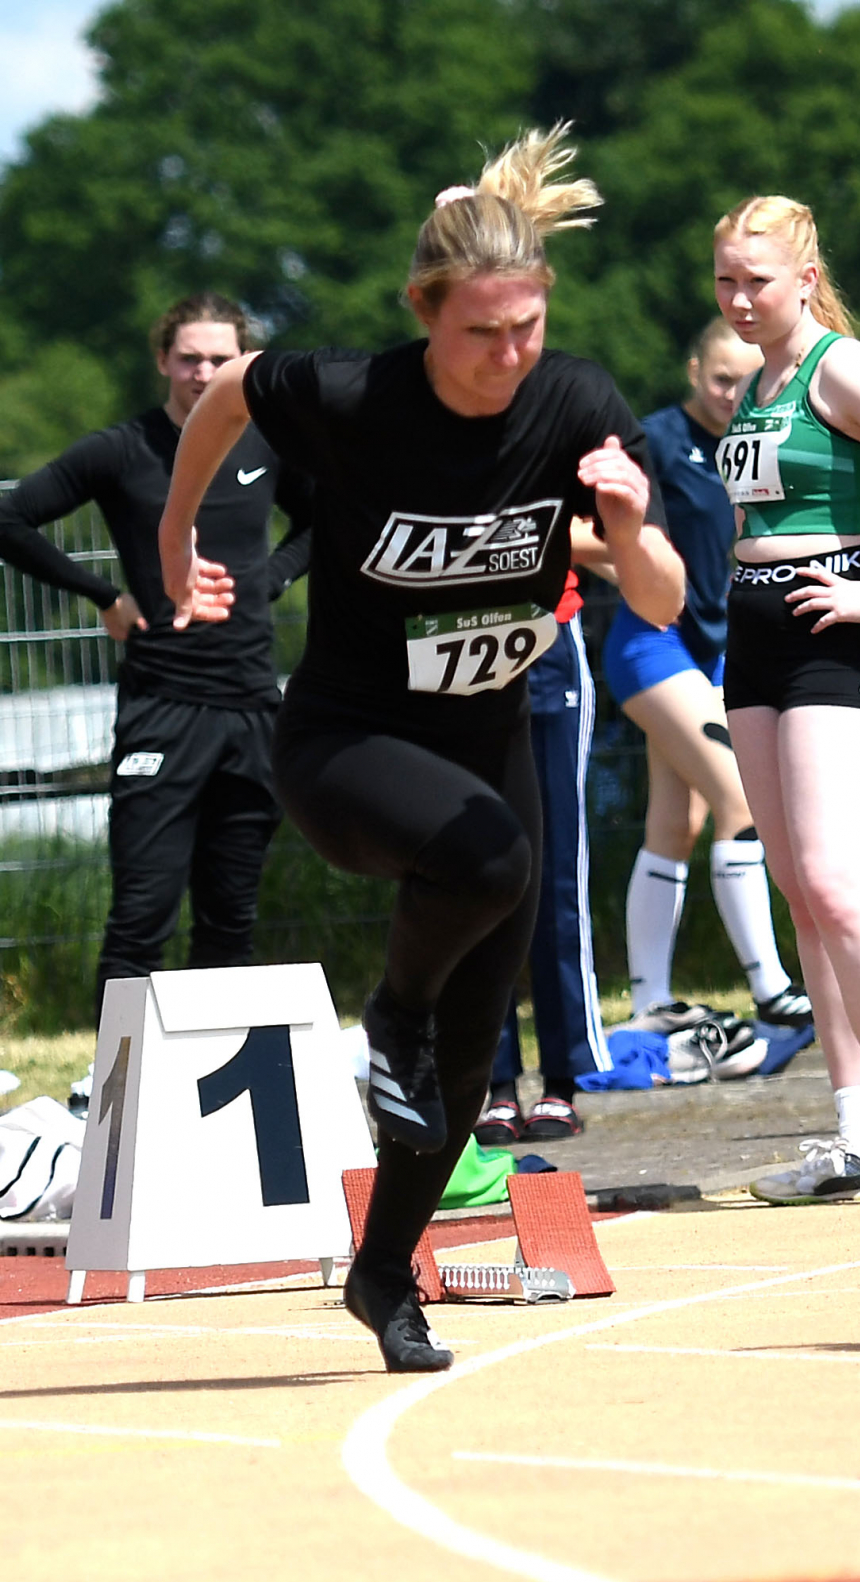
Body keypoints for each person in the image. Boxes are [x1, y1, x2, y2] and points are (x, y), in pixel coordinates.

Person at [159, 125, 685, 1370]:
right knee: (492, 867)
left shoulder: (578, 404)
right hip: (346, 750)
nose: (509, 358)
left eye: (528, 329)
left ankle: (385, 1272)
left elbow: (658, 601)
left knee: (467, 1051)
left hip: (483, 743)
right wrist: (177, 536)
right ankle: (386, 1013)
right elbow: (228, 395)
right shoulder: (352, 396)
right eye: (481, 333)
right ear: (424, 312)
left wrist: (627, 521)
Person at [0, 292, 313, 1024]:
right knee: (143, 914)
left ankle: (214, 1096)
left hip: (251, 705)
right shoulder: (124, 448)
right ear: (162, 360)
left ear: (243, 363)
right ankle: (108, 1088)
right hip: (161, 709)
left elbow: (322, 520)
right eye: (189, 358)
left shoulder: (266, 440)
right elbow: (10, 517)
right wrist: (104, 594)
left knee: (230, 919)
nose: (204, 372)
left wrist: (270, 577)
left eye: (220, 359)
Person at [711, 193, 860, 1202]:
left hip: (838, 628)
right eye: (726, 280)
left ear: (807, 280)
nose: (740, 299)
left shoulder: (840, 366)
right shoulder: (761, 380)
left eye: (759, 280)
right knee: (800, 890)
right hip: (754, 633)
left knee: (835, 882)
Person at [600, 318, 811, 1060]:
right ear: (694, 370)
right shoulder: (654, 438)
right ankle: (772, 988)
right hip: (651, 644)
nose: (731, 394)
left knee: (674, 822)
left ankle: (650, 999)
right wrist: (634, 562)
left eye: (742, 381)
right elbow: (587, 529)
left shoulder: (758, 436)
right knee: (740, 800)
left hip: (722, 652)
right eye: (720, 379)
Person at [475, 527, 614, 1147]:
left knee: (557, 869)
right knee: (477, 872)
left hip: (547, 640)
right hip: (457, 643)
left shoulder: (561, 433)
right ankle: (493, 1082)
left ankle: (563, 1079)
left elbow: (613, 538)